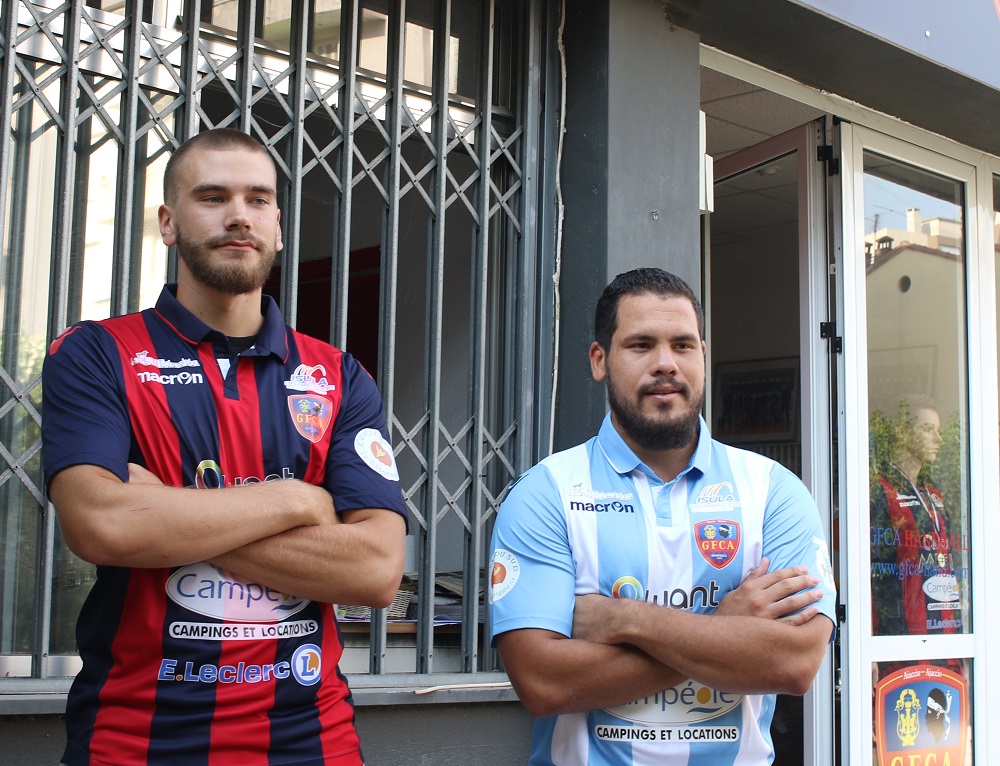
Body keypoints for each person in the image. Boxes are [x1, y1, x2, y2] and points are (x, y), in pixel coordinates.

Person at [42, 128, 407, 766]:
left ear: (279, 227)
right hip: (134, 742)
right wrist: (298, 500)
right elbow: (100, 524)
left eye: (259, 200)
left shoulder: (338, 376)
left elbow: (374, 571)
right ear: (167, 222)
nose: (239, 215)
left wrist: (167, 516)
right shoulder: (98, 354)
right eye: (212, 196)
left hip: (311, 742)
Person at [488, 267, 837, 765]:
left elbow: (795, 663)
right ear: (599, 360)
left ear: (702, 354)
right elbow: (543, 683)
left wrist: (622, 618)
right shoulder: (546, 494)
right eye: (641, 345)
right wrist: (726, 630)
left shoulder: (773, 491)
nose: (665, 364)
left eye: (683, 345)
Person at [869, 394, 963, 635]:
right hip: (901, 635)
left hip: (945, 630)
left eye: (938, 431)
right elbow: (868, 572)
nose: (938, 439)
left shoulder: (934, 495)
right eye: (927, 429)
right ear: (902, 432)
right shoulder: (881, 491)